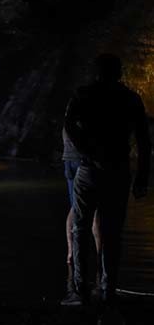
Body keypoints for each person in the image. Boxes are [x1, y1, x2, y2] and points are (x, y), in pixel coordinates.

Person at [63, 54, 151, 306]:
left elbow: (69, 124)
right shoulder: (130, 99)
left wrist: (84, 151)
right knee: (113, 232)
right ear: (120, 73)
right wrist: (142, 176)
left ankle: (80, 289)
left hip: (89, 168)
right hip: (118, 170)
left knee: (81, 227)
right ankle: (108, 289)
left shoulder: (84, 94)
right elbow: (144, 141)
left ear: (97, 72)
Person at [61, 127, 102, 304]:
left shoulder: (74, 104)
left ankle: (71, 254)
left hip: (69, 157)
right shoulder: (89, 105)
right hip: (83, 160)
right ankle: (101, 259)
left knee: (75, 208)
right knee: (95, 211)